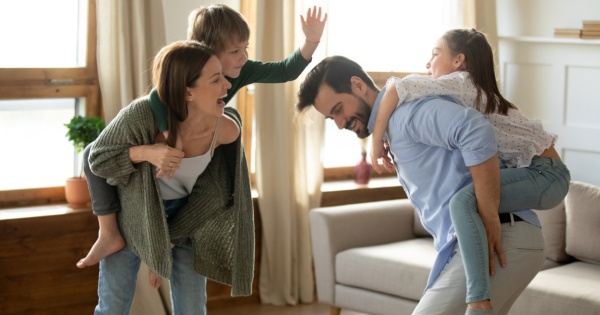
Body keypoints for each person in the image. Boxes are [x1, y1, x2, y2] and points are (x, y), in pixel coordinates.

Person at [77, 2, 327, 285]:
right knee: (91, 154)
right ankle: (108, 232)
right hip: (158, 146)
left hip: (192, 153)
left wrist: (311, 41)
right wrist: (168, 140)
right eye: (235, 51)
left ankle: (163, 246)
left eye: (246, 48)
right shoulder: (188, 70)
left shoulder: (239, 70)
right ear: (206, 52)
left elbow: (284, 70)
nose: (244, 57)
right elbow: (157, 100)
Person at [295, 55, 548, 315]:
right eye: (330, 118)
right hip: (504, 239)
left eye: (338, 110)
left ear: (358, 85)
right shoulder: (391, 127)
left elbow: (474, 129)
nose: (339, 124)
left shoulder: (407, 113)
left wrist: (489, 211)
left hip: (501, 236)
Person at [368, 29, 570, 313]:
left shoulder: (462, 83)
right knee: (465, 201)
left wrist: (375, 141)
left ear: (458, 61)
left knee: (462, 202)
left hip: (548, 174)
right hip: (546, 174)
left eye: (435, 54)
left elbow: (398, 88)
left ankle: (478, 299)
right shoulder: (469, 90)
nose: (428, 64)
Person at [87, 40, 254, 314]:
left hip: (187, 217)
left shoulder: (226, 132)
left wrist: (166, 241)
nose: (227, 84)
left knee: (192, 309)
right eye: (216, 79)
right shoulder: (141, 116)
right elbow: (98, 160)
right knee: (112, 309)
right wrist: (146, 153)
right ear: (187, 93)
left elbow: (215, 195)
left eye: (223, 76)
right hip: (132, 214)